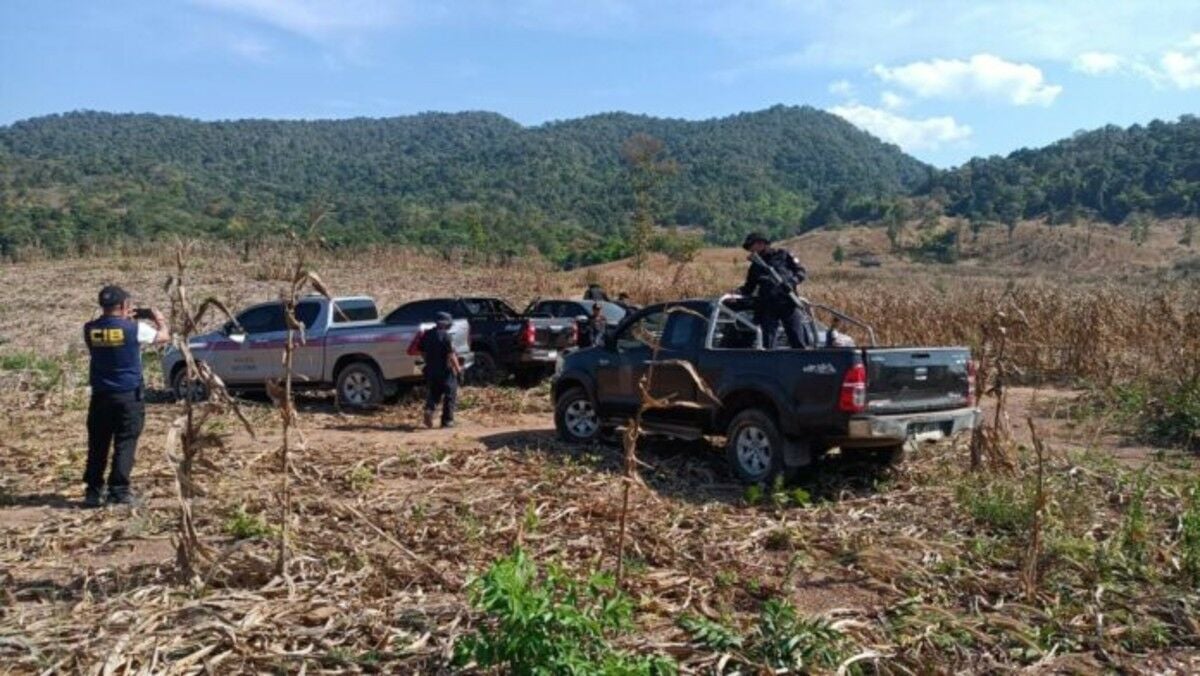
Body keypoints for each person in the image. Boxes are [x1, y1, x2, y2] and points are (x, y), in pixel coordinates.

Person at [82, 285, 169, 508]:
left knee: (98, 444)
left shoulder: (90, 329)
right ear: (123, 306)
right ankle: (118, 491)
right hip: (128, 395)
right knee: (125, 442)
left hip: (100, 395)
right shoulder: (135, 328)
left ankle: (93, 491)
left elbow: (106, 337)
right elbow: (163, 338)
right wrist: (158, 319)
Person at [738, 232, 816, 349]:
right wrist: (736, 293)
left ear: (761, 244)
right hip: (768, 306)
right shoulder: (755, 266)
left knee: (797, 339)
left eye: (751, 246)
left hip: (788, 303)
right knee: (769, 343)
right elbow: (749, 287)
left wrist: (791, 282)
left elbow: (801, 272)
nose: (751, 250)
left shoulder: (784, 255)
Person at [420, 312, 463, 429]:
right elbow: (451, 355)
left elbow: (422, 352)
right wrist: (458, 370)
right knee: (450, 394)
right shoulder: (446, 336)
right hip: (445, 370)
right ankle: (447, 421)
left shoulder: (427, 335)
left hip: (431, 370)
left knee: (434, 393)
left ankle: (429, 410)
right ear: (445, 324)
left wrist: (429, 361)